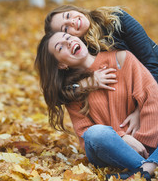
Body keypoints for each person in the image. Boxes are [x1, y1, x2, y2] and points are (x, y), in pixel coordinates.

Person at [35, 31, 158, 180]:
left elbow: (151, 96)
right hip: (112, 150)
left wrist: (143, 140)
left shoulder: (121, 58)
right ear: (61, 64)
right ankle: (151, 165)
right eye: (60, 48)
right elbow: (85, 133)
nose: (68, 42)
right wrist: (122, 137)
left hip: (149, 142)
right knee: (95, 133)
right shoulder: (72, 91)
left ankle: (144, 171)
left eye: (68, 37)